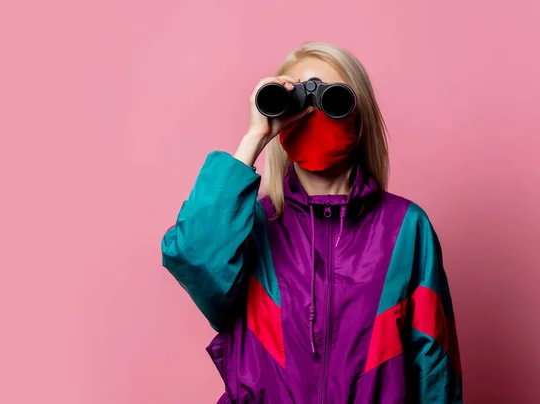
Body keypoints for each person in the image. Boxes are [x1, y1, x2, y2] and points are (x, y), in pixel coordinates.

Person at [161, 41, 463, 403]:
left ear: (358, 114)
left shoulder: (405, 228)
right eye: (300, 100)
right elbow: (190, 254)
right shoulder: (249, 226)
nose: (314, 114)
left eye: (332, 100)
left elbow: (435, 367)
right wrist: (255, 137)